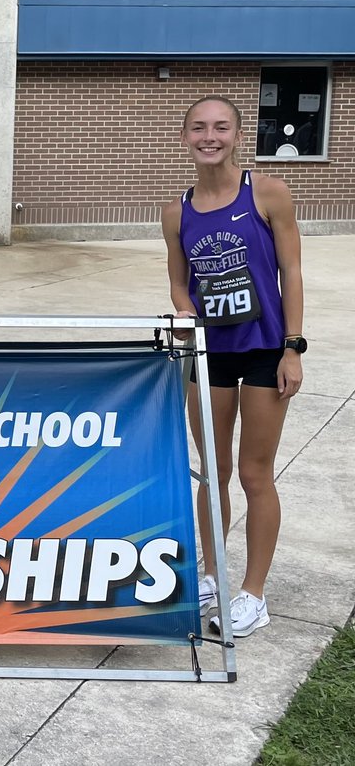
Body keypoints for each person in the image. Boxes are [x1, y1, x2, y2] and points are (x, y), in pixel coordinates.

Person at [160, 94, 304, 639]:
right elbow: (180, 280)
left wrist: (293, 345)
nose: (209, 136)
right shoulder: (176, 211)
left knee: (253, 473)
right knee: (212, 470)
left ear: (238, 135)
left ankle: (253, 595)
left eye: (220, 127)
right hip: (210, 351)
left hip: (266, 348)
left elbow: (290, 269)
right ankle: (212, 575)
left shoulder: (267, 193)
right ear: (185, 137)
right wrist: (182, 308)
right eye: (198, 127)